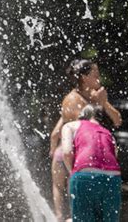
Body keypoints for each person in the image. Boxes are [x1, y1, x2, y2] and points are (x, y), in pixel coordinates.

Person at [50, 59, 122, 221]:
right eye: (96, 74)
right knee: (77, 213)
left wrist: (104, 103)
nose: (99, 78)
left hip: (87, 157)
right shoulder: (72, 100)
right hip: (70, 155)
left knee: (84, 213)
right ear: (84, 77)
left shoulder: (95, 97)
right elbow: (85, 128)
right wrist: (99, 102)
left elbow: (117, 120)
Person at [61, 105, 122, 222]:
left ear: (82, 116)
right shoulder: (108, 133)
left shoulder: (71, 125)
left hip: (84, 175)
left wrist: (74, 173)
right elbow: (115, 156)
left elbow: (67, 152)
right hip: (113, 178)